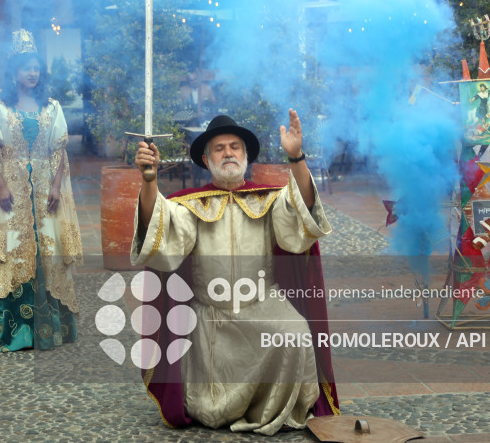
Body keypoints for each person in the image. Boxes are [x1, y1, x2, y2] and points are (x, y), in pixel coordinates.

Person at [130, 110, 339, 435]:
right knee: (210, 409)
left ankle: (273, 409)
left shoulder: (269, 200)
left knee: (296, 333)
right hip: (211, 313)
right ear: (205, 157)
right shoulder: (188, 205)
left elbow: (301, 216)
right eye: (219, 148)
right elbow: (158, 231)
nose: (228, 152)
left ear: (246, 155)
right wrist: (149, 180)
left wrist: (296, 157)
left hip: (263, 303)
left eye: (235, 146)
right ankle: (226, 407)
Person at [0, 29, 83, 352]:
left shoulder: (52, 107)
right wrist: (2, 186)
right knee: (8, 251)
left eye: (36, 67)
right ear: (14, 72)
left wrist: (57, 186)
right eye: (26, 68)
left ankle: (50, 329)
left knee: (47, 252)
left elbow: (59, 151)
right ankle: (11, 333)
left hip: (45, 193)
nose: (33, 73)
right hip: (11, 194)